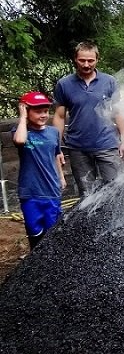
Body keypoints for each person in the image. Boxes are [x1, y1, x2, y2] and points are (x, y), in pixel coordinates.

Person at [53, 41, 124, 197]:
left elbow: (118, 112)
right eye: (82, 60)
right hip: (78, 148)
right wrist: (56, 147)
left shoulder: (109, 81)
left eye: (90, 60)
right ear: (75, 59)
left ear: (97, 59)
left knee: (115, 190)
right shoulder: (64, 84)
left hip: (107, 144)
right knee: (87, 195)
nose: (86, 64)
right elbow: (59, 117)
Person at [12, 92, 66, 250]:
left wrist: (61, 177)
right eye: (37, 111)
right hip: (30, 192)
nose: (43, 115)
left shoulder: (53, 132)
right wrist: (22, 118)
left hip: (51, 190)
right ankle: (35, 265)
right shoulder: (21, 131)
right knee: (34, 231)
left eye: (45, 111)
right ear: (26, 111)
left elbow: (56, 155)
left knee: (53, 233)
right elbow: (20, 140)